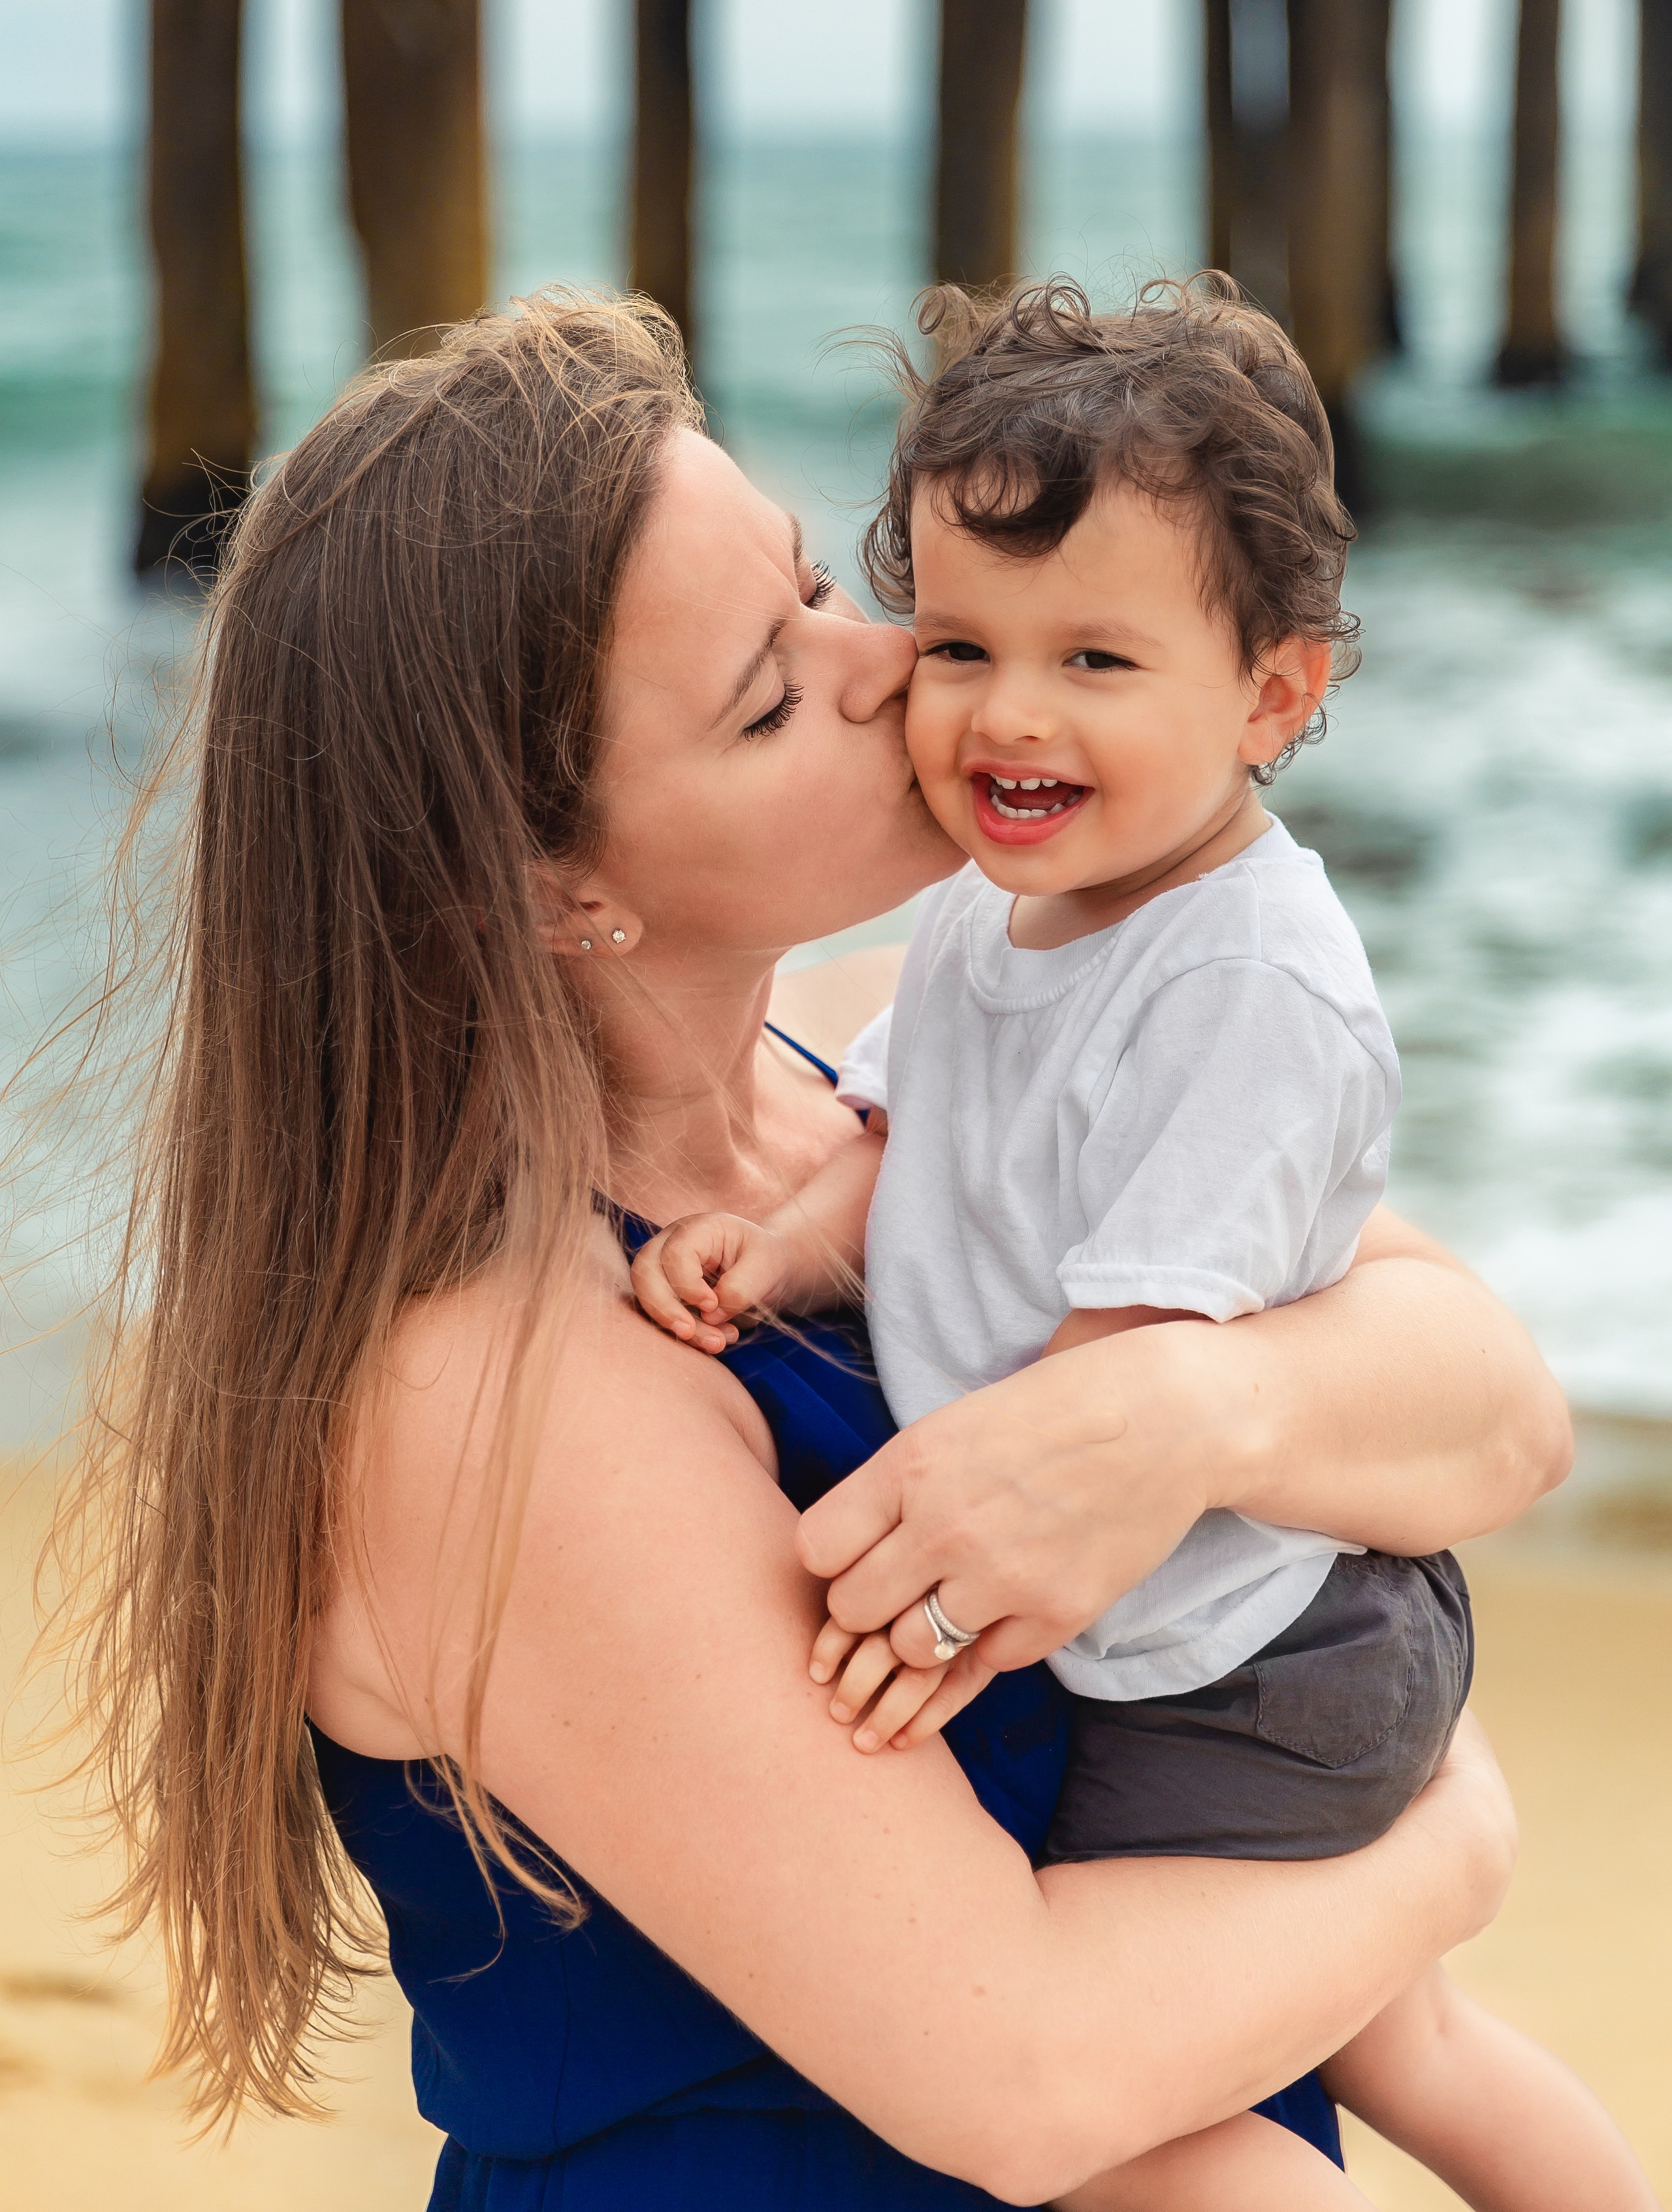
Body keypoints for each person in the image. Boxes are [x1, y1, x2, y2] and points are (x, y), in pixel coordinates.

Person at [59, 291, 1564, 2210]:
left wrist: (1189, 1405)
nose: (903, 670)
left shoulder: (882, 1056)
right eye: (769, 693)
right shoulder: (497, 1391)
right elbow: (1019, 2073)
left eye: (818, 585)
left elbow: (1498, 1407)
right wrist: (1453, 1845)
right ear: (558, 890)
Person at [632, 278, 1656, 2211]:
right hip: (1210, 1626)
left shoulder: (1255, 985)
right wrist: (777, 1254)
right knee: (1405, 2040)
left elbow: (1113, 1409)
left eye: (1097, 660)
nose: (1006, 715)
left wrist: (942, 1617)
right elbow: (910, 1148)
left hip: (1244, 1662)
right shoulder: (982, 922)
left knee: (1131, 2101)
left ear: (1273, 696)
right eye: (959, 643)